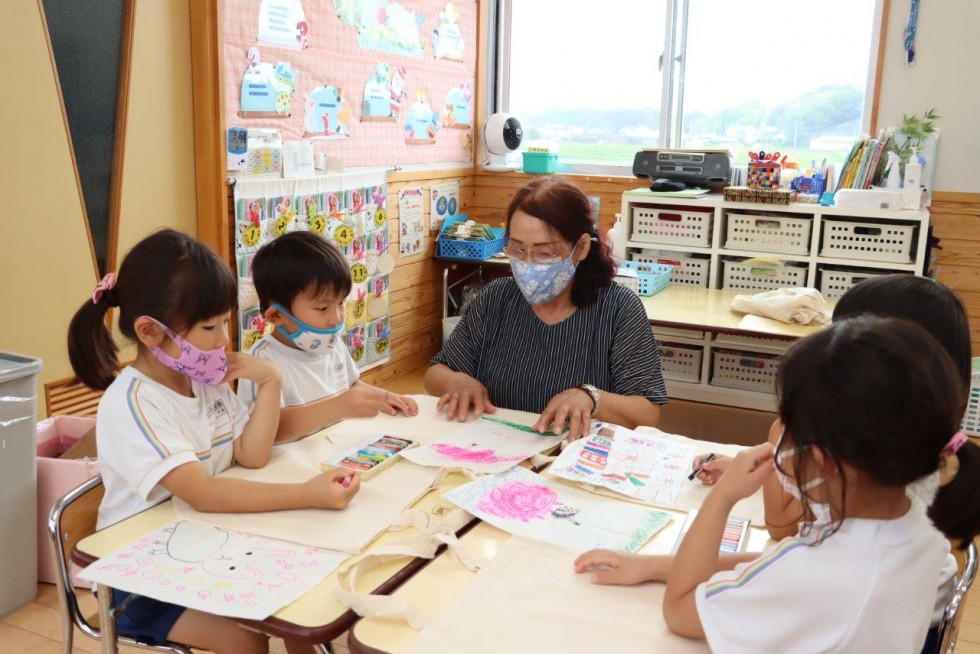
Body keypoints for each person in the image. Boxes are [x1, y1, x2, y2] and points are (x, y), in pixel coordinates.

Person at [575, 316, 980, 652]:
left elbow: (680, 610)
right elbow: (780, 560)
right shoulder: (915, 519)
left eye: (788, 428)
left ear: (821, 459)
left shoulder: (822, 573)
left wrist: (724, 497)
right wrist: (654, 565)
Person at [67, 229, 358, 654]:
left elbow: (251, 456)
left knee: (301, 605)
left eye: (225, 321)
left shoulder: (205, 379)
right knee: (247, 641)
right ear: (150, 332)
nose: (224, 339)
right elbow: (202, 493)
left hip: (207, 542)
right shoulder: (133, 403)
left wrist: (270, 380)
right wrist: (305, 494)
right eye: (209, 326)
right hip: (139, 577)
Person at [692, 275, 972, 540]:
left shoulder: (869, 472)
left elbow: (779, 524)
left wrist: (786, 427)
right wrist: (752, 469)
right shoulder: (909, 445)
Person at [424, 176, 667, 440]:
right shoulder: (495, 299)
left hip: (573, 461)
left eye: (545, 253)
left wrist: (592, 398)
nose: (529, 264)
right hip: (497, 450)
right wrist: (455, 381)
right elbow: (436, 373)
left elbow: (647, 413)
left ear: (581, 248)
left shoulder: (618, 309)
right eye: (517, 249)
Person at [238, 231, 417, 441]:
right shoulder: (259, 363)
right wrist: (338, 407)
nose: (336, 318)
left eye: (340, 303)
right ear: (277, 315)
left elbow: (351, 386)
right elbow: (263, 433)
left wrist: (382, 398)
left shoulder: (329, 343)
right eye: (323, 308)